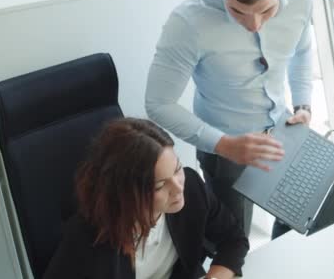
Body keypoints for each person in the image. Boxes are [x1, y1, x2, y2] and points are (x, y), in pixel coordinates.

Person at [145, 0, 313, 239]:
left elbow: (302, 50)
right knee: (233, 244)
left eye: (267, 10)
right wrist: (224, 145)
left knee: (298, 223)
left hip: (284, 131)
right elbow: (158, 102)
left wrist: (303, 104)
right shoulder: (188, 22)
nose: (255, 24)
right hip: (224, 152)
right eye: (238, 11)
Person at [44, 118, 249, 279]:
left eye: (177, 169)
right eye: (160, 185)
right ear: (128, 193)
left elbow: (234, 239)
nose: (178, 188)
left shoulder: (192, 188)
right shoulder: (86, 237)